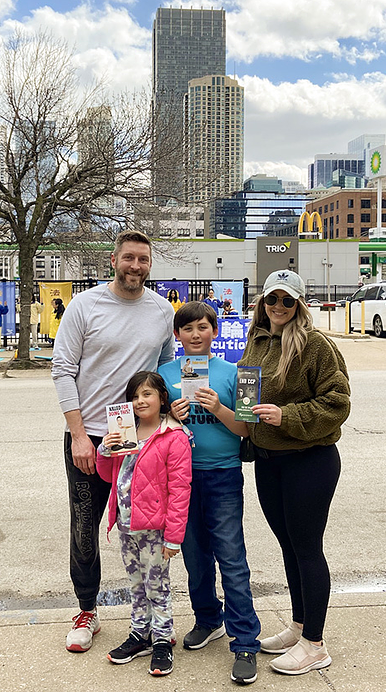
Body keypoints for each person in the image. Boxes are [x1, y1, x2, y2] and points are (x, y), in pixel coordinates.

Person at [50, 230, 176, 654]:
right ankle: (87, 610)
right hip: (92, 438)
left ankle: (151, 618)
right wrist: (79, 435)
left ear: (150, 264)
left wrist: (171, 418)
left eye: (143, 260)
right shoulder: (86, 306)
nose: (135, 266)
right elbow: (62, 369)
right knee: (85, 528)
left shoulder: (161, 311)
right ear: (113, 260)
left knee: (142, 528)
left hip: (141, 441)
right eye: (128, 258)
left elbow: (165, 369)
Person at [239, 269, 350, 676]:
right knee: (288, 546)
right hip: (270, 463)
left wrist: (287, 416)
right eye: (273, 299)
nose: (279, 307)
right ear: (262, 302)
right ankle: (300, 625)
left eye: (288, 300)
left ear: (300, 304)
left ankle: (315, 644)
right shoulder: (257, 341)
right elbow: (246, 400)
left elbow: (338, 403)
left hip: (309, 461)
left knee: (306, 548)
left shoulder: (316, 345)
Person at [161, 301, 262, 685]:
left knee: (231, 557)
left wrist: (218, 407)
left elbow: (246, 430)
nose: (196, 334)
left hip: (222, 476)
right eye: (188, 329)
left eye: (203, 327)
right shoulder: (164, 373)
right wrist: (173, 414)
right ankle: (208, 618)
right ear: (177, 336)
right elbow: (152, 423)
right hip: (180, 479)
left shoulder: (234, 373)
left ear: (215, 332)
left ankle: (245, 642)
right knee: (194, 556)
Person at [96, 371, 191, 676]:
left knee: (156, 585)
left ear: (163, 398)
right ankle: (141, 634)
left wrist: (174, 537)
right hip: (127, 525)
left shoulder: (174, 436)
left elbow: (180, 489)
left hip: (156, 531)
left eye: (147, 394)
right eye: (135, 396)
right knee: (136, 584)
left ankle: (162, 638)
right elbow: (110, 476)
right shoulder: (126, 433)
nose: (140, 401)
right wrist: (104, 450)